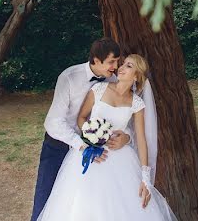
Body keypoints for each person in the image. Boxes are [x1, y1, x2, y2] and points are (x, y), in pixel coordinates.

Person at [36, 54, 178, 221]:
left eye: (129, 66)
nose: (122, 68)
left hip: (120, 161)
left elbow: (141, 139)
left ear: (137, 77)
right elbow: (81, 118)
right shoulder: (99, 89)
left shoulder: (137, 104)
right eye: (123, 64)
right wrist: (91, 137)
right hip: (90, 154)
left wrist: (145, 178)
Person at [30, 38, 131, 221]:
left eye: (117, 61)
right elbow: (54, 122)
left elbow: (125, 114)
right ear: (96, 60)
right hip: (60, 146)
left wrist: (127, 138)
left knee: (84, 205)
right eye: (111, 62)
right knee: (45, 199)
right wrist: (83, 146)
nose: (116, 66)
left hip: (98, 150)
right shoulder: (69, 77)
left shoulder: (114, 80)